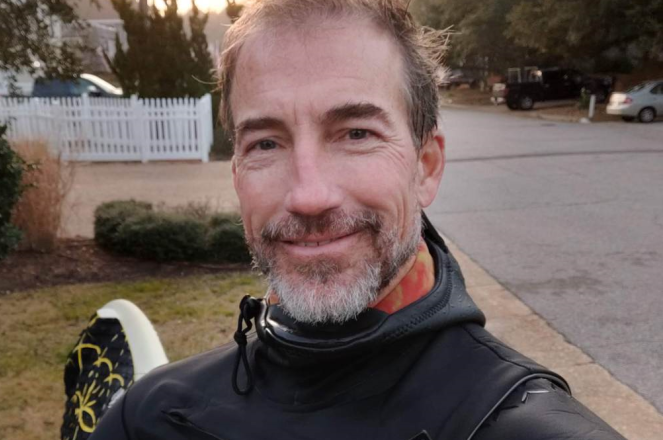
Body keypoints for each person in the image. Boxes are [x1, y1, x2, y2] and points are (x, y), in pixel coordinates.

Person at [89, 0, 626, 438]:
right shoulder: (150, 420)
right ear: (237, 176)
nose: (309, 196)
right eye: (267, 142)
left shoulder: (525, 427)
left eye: (356, 133)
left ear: (426, 167)